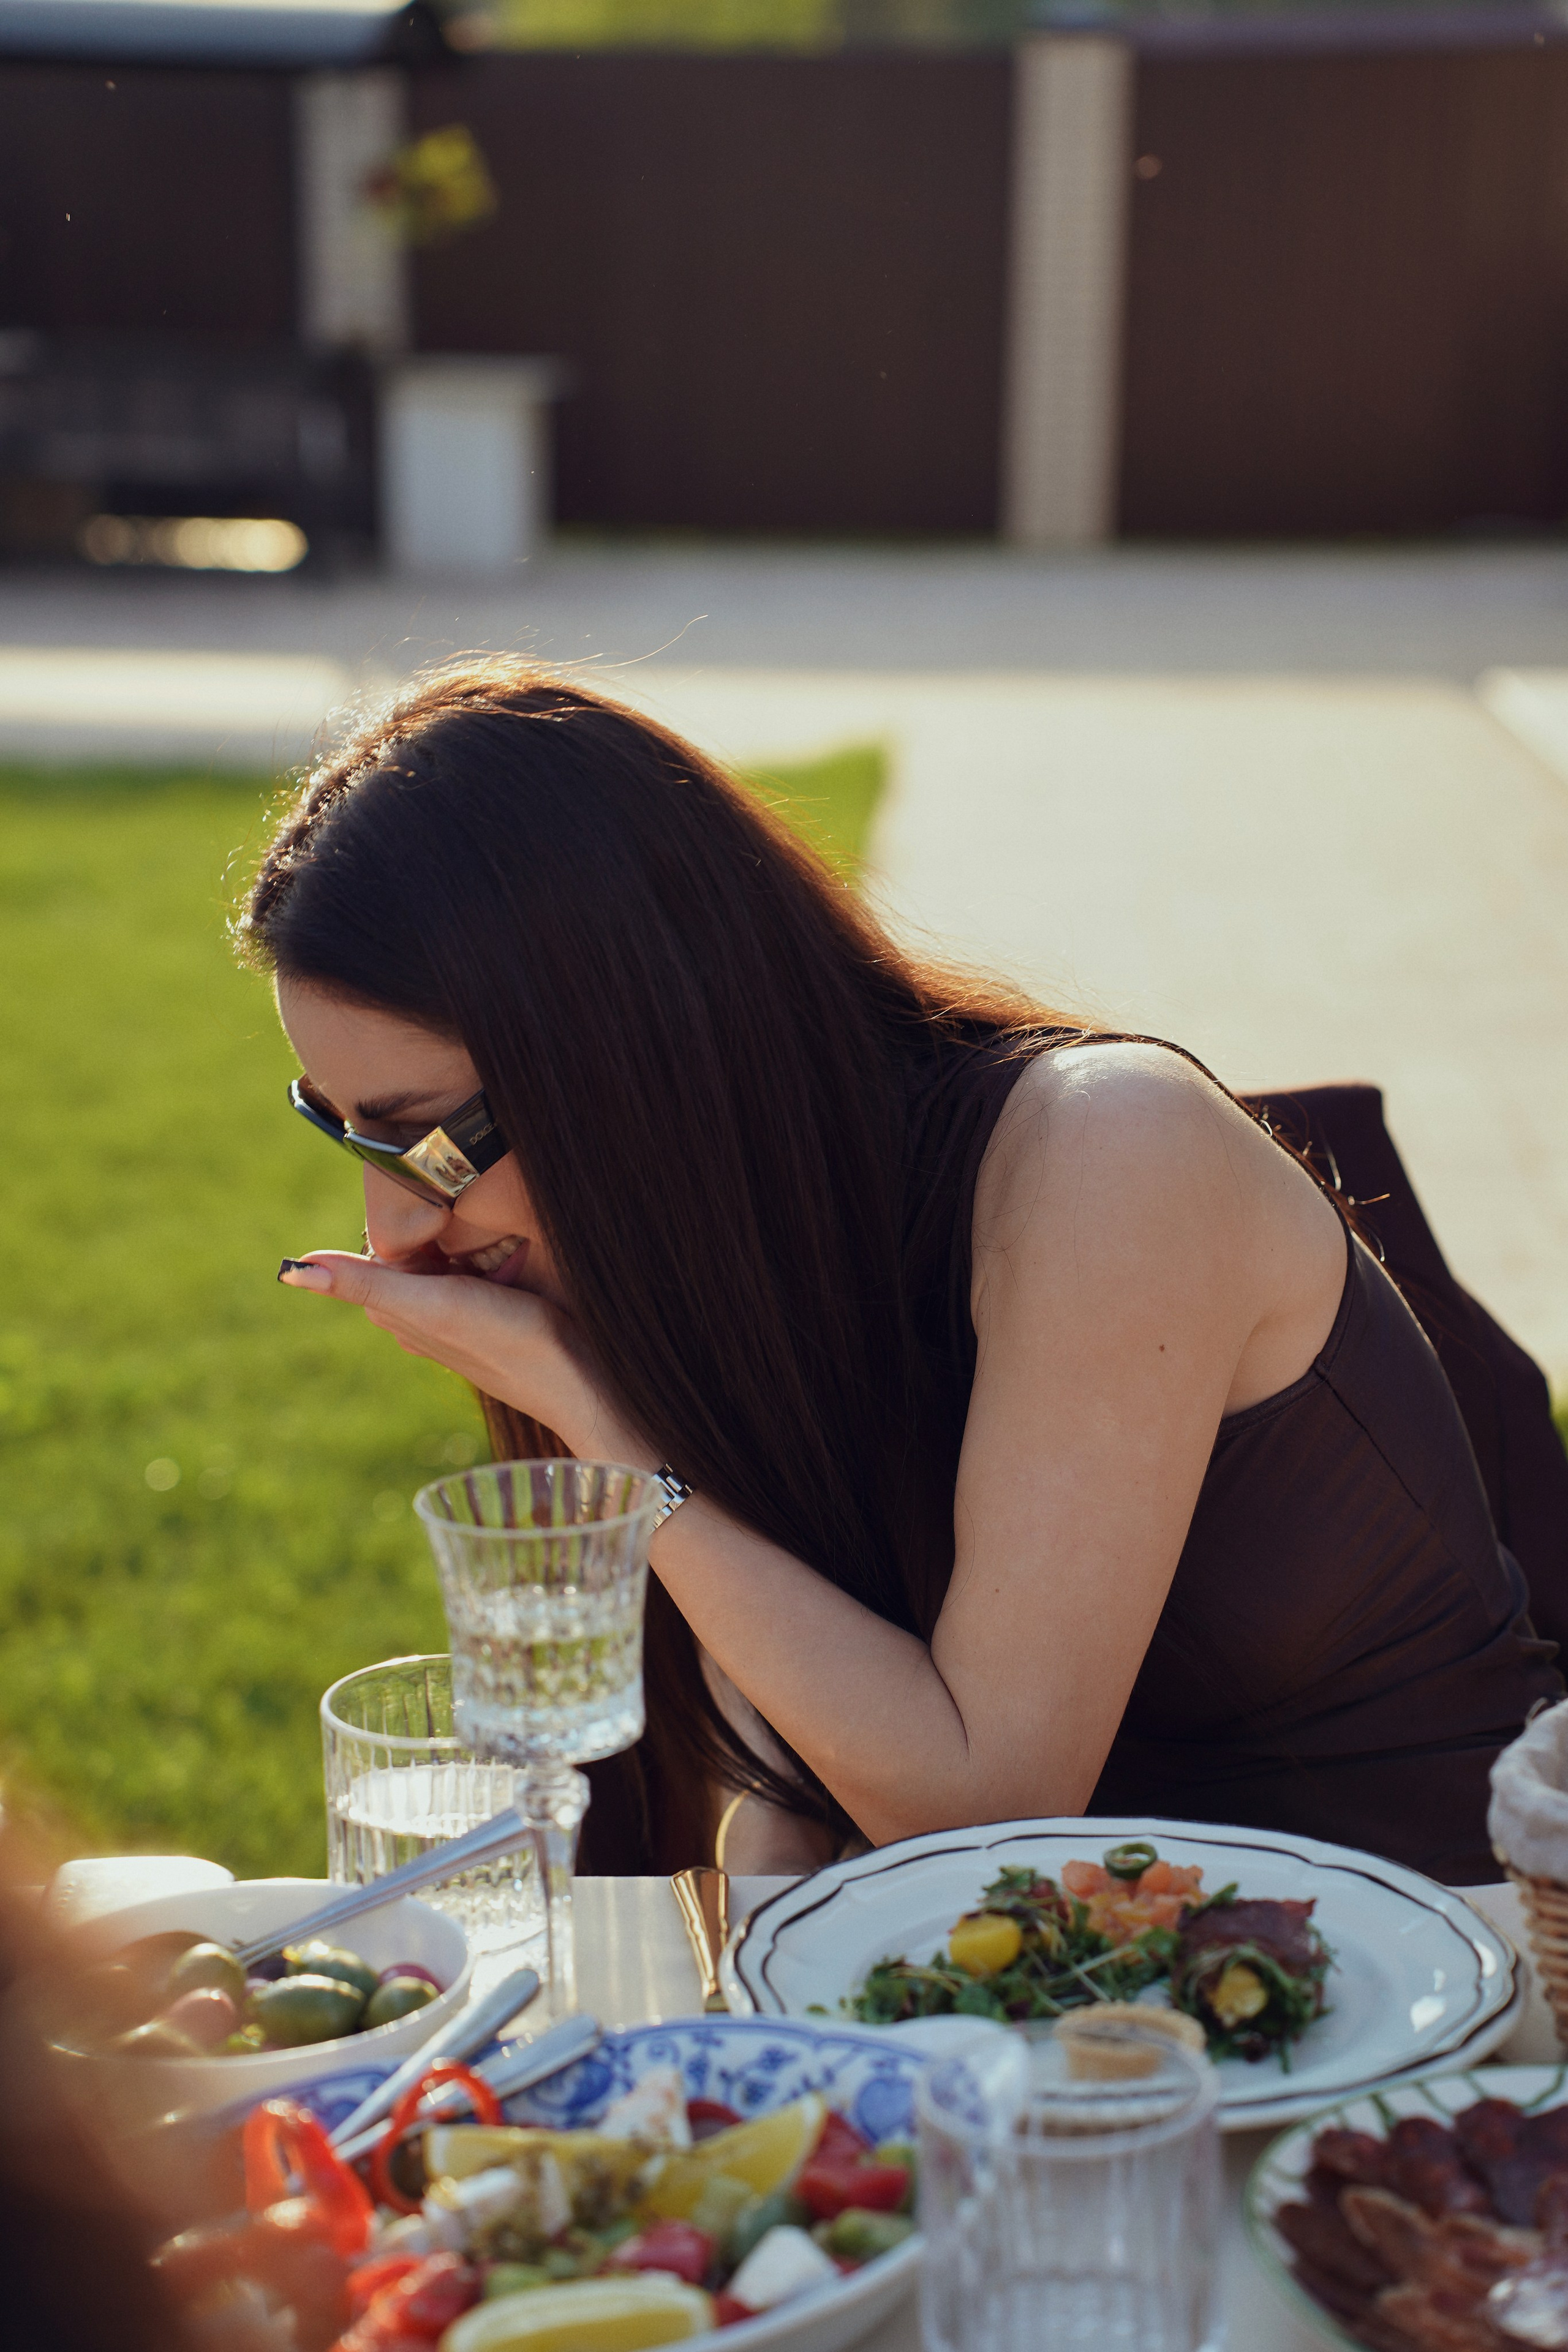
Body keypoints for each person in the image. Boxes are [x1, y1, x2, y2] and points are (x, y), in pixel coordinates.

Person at [244, 660, 1561, 1887]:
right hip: (1072, 2008)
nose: (393, 1231)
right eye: (338, 1126)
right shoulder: (726, 1262)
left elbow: (984, 1803)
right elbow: (806, 1782)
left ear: (629, 1055)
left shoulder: (1109, 1154)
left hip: (1428, 2010)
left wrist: (609, 1436)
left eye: (419, 1137)